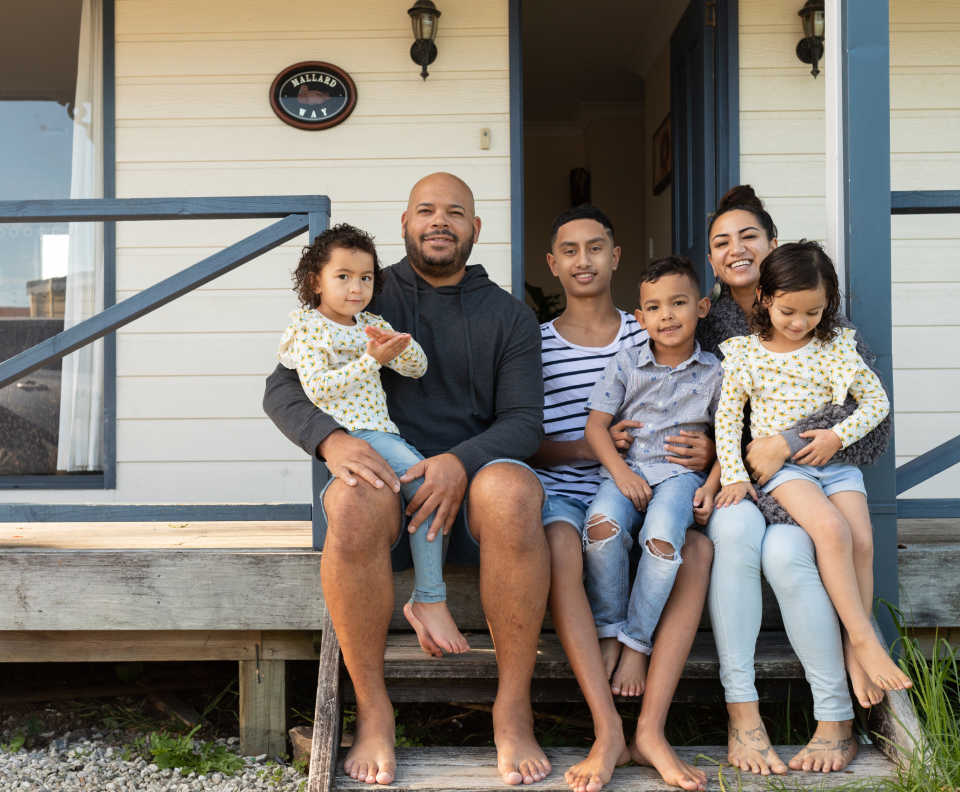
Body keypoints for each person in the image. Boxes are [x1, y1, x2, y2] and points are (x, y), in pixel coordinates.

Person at [264, 173, 552, 787]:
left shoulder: (509, 316)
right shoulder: (362, 289)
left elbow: (524, 423)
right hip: (388, 492)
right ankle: (373, 712)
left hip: (473, 501)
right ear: (404, 223)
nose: (439, 221)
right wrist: (332, 439)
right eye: (426, 210)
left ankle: (512, 707)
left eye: (455, 212)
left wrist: (459, 463)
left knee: (515, 491)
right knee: (352, 502)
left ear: (476, 228)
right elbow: (282, 386)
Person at [697, 185, 894, 775]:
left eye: (748, 236)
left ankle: (835, 717)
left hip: (803, 472)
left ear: (773, 245)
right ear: (711, 259)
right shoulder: (713, 328)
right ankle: (743, 714)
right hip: (738, 478)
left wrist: (786, 440)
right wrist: (717, 468)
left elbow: (871, 429)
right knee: (734, 538)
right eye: (721, 242)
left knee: (788, 552)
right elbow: (712, 411)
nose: (735, 249)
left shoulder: (825, 323)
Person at [528, 206, 714, 792]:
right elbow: (525, 440)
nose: (584, 259)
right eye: (570, 249)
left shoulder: (652, 330)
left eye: (596, 247)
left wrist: (709, 452)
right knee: (563, 543)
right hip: (572, 492)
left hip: (653, 491)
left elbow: (709, 408)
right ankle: (607, 730)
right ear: (553, 264)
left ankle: (652, 729)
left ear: (615, 256)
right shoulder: (535, 344)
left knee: (697, 553)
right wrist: (594, 450)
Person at [713, 239, 909, 699]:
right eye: (788, 312)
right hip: (787, 473)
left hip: (836, 466)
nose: (800, 323)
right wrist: (734, 474)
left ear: (829, 305)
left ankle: (854, 649)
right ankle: (864, 639)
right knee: (831, 530)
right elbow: (728, 417)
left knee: (861, 539)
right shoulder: (746, 354)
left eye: (813, 312)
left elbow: (876, 402)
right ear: (764, 298)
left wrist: (838, 436)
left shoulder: (836, 346)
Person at [276, 223, 468, 655]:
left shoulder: (370, 323)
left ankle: (429, 598)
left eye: (365, 278)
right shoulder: (308, 329)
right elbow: (319, 388)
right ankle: (430, 600)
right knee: (428, 490)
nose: (355, 287)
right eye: (342, 276)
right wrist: (370, 360)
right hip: (353, 436)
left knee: (430, 491)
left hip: (383, 435)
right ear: (316, 282)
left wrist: (399, 346)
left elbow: (415, 368)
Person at [582, 255, 722, 698]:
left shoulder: (718, 372)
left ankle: (637, 644)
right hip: (629, 471)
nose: (667, 316)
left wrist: (713, 482)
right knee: (600, 529)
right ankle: (609, 631)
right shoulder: (625, 363)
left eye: (678, 303)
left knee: (662, 544)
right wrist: (621, 475)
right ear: (640, 318)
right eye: (655, 308)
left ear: (701, 308)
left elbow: (731, 439)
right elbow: (594, 427)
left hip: (681, 477)